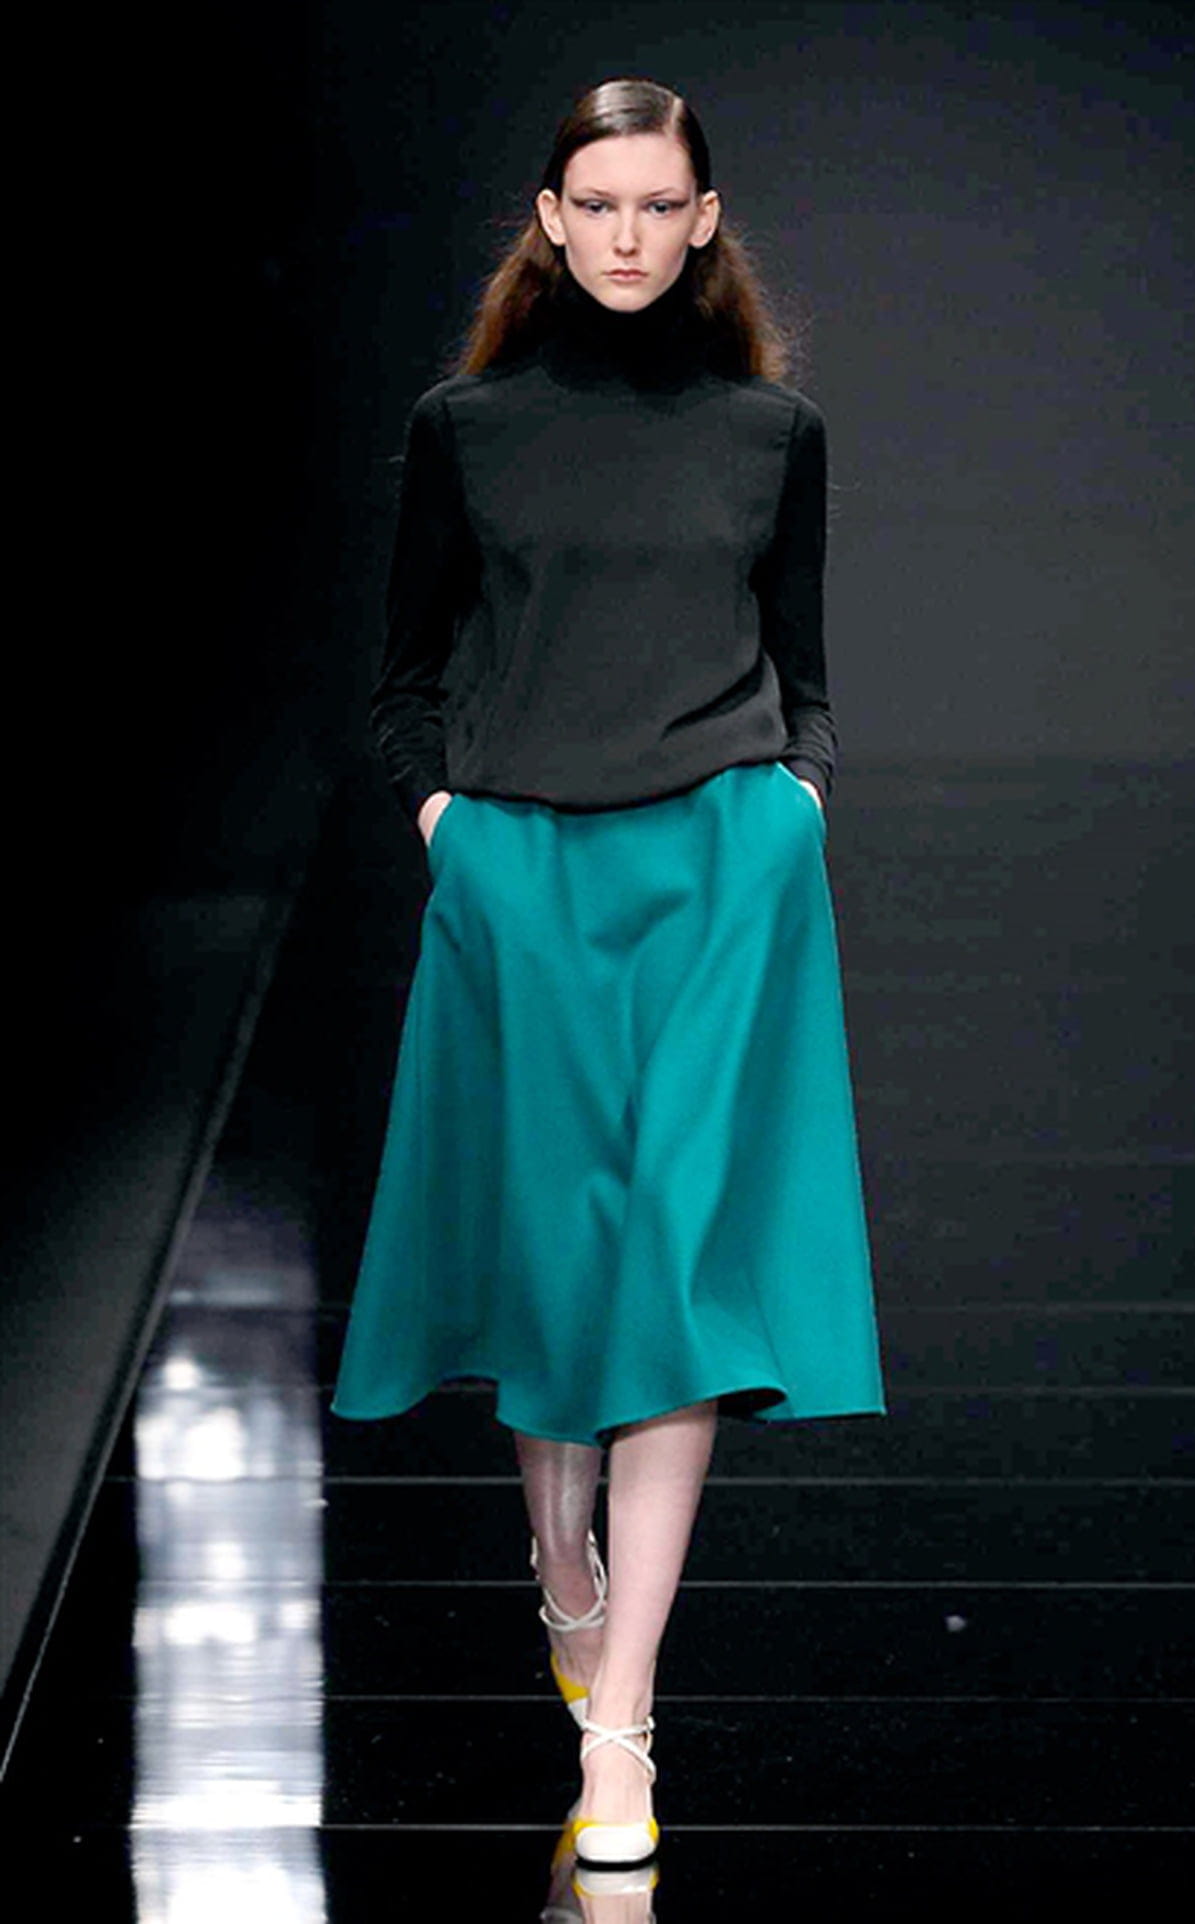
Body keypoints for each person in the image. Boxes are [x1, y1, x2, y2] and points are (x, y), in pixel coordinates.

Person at [331, 75, 885, 1881]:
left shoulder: (771, 431)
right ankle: (560, 1565)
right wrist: (448, 830)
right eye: (601, 203)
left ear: (702, 221)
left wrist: (797, 801)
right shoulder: (467, 429)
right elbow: (407, 673)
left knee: (675, 1273)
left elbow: (803, 667)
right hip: (527, 877)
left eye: (662, 204)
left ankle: (622, 1717)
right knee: (562, 1271)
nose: (631, 234)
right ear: (552, 219)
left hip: (720, 871)